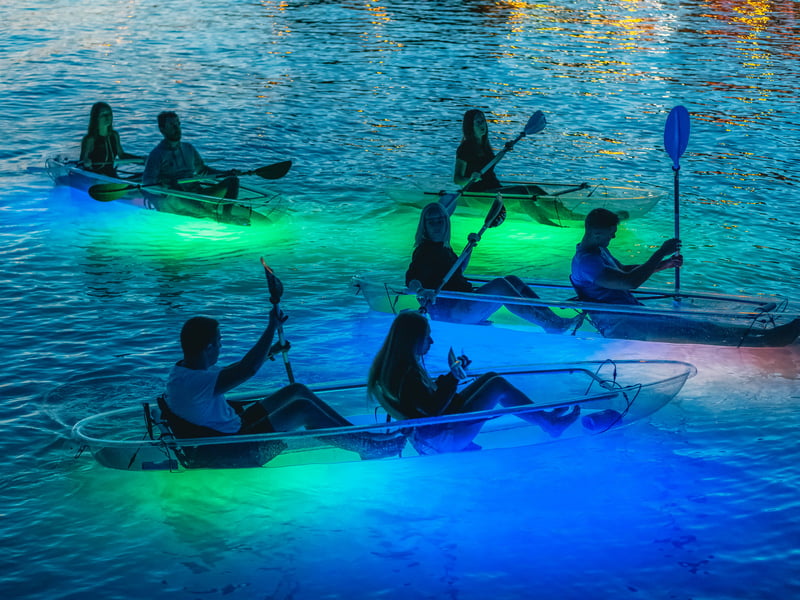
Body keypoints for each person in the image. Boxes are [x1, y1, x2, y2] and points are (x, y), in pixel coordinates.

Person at [165, 295, 405, 460]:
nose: (221, 346)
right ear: (207, 348)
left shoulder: (185, 370)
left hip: (233, 426)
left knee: (296, 390)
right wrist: (271, 328)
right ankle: (366, 446)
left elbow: (232, 370)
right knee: (302, 408)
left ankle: (361, 438)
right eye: (219, 342)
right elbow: (246, 370)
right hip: (233, 444)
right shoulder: (195, 383)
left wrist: (270, 351)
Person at [367, 311, 580, 453]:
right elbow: (432, 411)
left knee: (491, 377)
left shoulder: (394, 367)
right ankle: (549, 423)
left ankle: (544, 418)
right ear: (413, 339)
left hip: (429, 434)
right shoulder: (407, 374)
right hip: (441, 438)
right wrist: (452, 379)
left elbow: (424, 403)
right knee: (496, 385)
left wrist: (452, 375)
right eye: (427, 336)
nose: (431, 341)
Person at [405, 202, 577, 332]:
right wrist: (420, 291)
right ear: (425, 226)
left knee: (512, 280)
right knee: (500, 285)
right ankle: (547, 324)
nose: (436, 225)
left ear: (446, 222)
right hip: (451, 312)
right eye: (431, 222)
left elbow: (458, 271)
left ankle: (553, 319)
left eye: (440, 220)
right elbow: (412, 279)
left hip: (463, 301)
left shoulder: (443, 247)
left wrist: (469, 248)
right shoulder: (424, 251)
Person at [571, 208, 682, 305]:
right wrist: (661, 252)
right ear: (596, 234)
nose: (613, 236)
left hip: (631, 311)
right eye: (611, 233)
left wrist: (666, 264)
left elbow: (623, 270)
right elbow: (630, 282)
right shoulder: (586, 262)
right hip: (618, 321)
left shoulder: (599, 250)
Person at [142, 111, 240, 218]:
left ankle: (226, 214)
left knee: (233, 180)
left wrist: (226, 173)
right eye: (172, 125)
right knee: (176, 194)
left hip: (196, 194)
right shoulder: (157, 154)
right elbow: (147, 184)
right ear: (162, 129)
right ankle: (213, 216)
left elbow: (203, 171)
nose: (177, 128)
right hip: (175, 200)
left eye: (178, 124)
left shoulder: (188, 148)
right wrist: (164, 185)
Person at [453, 108, 545, 196]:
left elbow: (490, 163)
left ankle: (555, 206)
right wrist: (470, 179)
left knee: (534, 189)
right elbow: (457, 179)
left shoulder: (484, 146)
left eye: (483, 121)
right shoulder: (465, 149)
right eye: (478, 122)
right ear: (470, 126)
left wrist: (505, 149)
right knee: (522, 191)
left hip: (494, 188)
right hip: (480, 193)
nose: (483, 125)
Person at [80, 102, 141, 177]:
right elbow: (81, 162)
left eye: (109, 114)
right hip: (95, 176)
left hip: (111, 175)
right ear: (96, 118)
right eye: (103, 115)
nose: (107, 117)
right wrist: (86, 163)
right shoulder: (90, 139)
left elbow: (122, 155)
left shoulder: (114, 135)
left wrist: (141, 159)